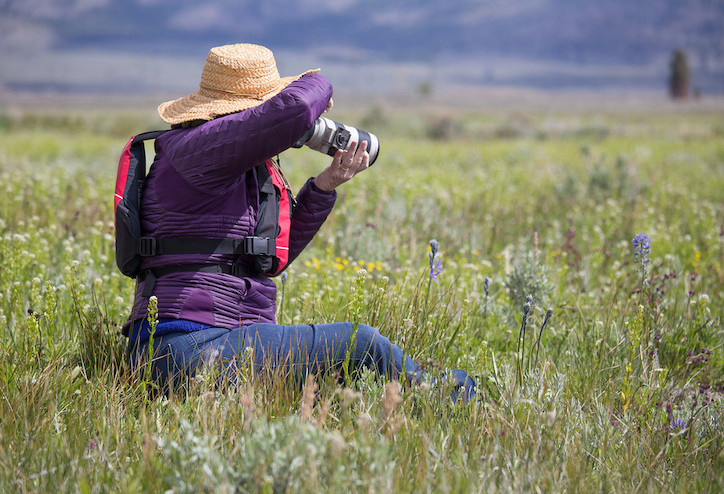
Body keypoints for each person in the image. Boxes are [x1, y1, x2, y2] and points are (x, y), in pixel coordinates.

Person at [124, 43, 475, 402]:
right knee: (361, 344)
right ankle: (449, 399)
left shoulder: (222, 162)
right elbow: (296, 108)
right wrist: (314, 87)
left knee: (340, 378)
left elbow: (268, 257)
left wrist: (324, 187)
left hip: (208, 344)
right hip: (188, 347)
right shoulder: (200, 149)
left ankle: (433, 392)